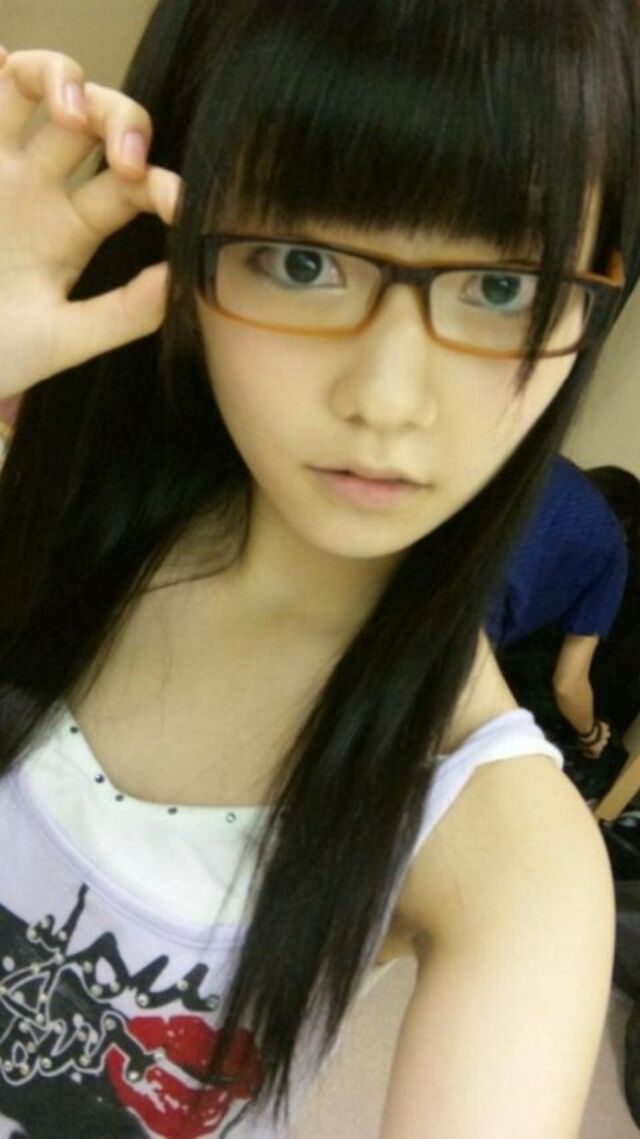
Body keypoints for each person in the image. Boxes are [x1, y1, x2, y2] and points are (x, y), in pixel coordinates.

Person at [0, 1, 637, 1134]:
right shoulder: (43, 515)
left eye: (500, 285)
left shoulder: (505, 844)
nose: (386, 399)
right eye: (302, 261)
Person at [484, 454, 630, 800]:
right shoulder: (612, 547)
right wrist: (592, 734)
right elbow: (568, 684)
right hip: (469, 637)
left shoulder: (543, 465)